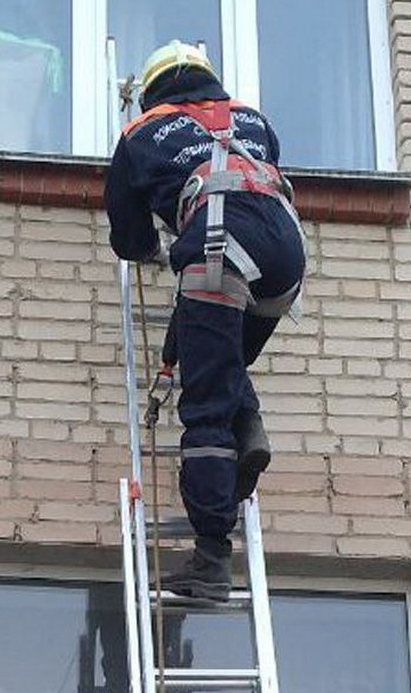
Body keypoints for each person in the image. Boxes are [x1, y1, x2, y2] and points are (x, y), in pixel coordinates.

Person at [104, 40, 306, 600]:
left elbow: (129, 238)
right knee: (218, 353)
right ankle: (251, 426)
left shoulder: (139, 133)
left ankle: (212, 558)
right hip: (286, 258)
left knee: (206, 407)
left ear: (151, 91)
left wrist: (154, 245)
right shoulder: (253, 119)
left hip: (219, 254)